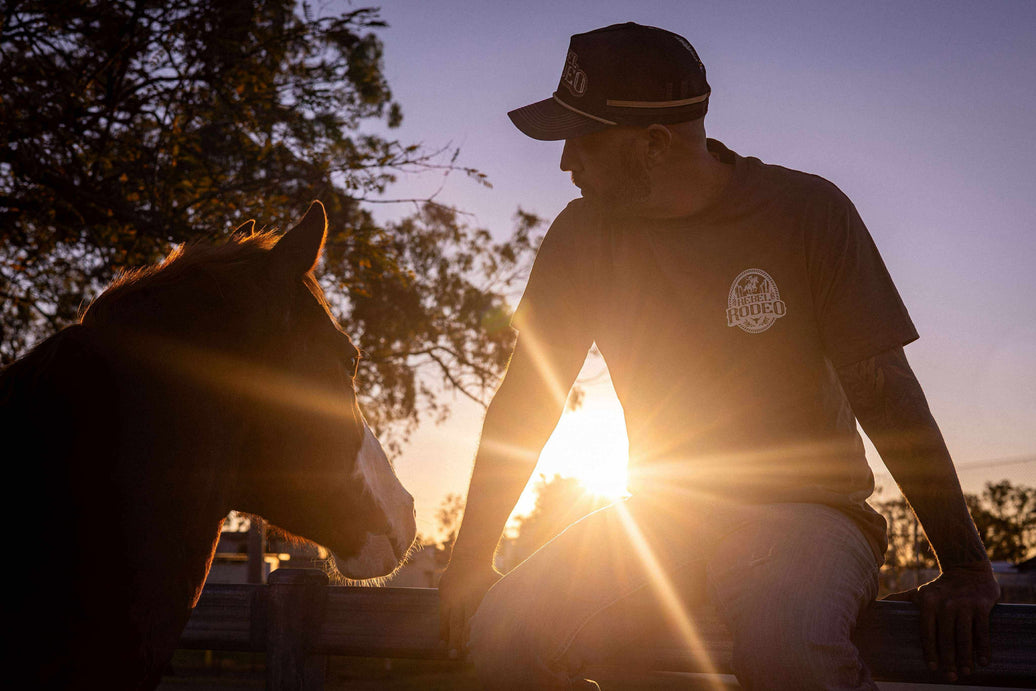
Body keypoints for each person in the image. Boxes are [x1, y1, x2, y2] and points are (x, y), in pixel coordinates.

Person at [438, 22, 999, 690]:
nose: (566, 162)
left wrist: (965, 565)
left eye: (584, 137)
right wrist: (471, 558)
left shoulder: (807, 214)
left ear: (654, 144)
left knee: (785, 646)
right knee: (503, 635)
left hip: (809, 512)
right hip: (657, 513)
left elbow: (885, 392)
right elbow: (527, 401)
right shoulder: (578, 237)